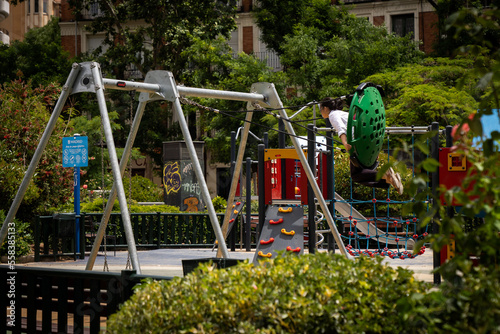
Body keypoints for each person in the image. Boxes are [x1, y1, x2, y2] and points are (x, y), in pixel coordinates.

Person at [320, 97, 404, 194]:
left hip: (357, 142)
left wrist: (345, 143)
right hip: (367, 139)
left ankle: (386, 176)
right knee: (361, 173)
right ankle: (388, 179)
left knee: (356, 175)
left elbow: (341, 129)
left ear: (325, 108)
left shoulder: (333, 115)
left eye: (321, 109)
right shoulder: (342, 114)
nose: (321, 112)